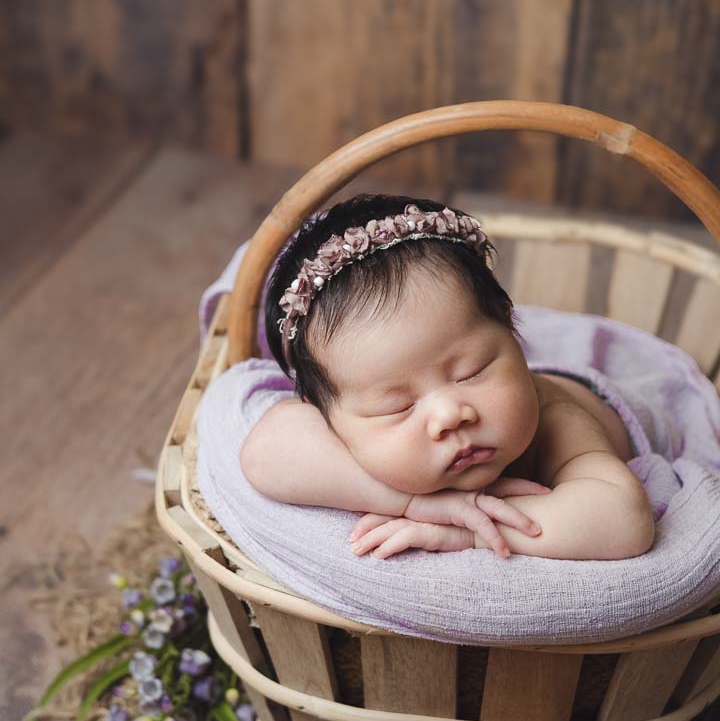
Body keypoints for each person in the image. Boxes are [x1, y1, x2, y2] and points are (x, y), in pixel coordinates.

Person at [240, 194, 655, 561]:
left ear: (513, 333)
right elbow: (264, 451)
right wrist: (410, 503)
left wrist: (464, 530)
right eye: (397, 406)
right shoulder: (341, 422)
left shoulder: (557, 422)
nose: (449, 415)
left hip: (591, 397)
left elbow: (623, 519)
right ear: (329, 420)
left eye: (470, 372)